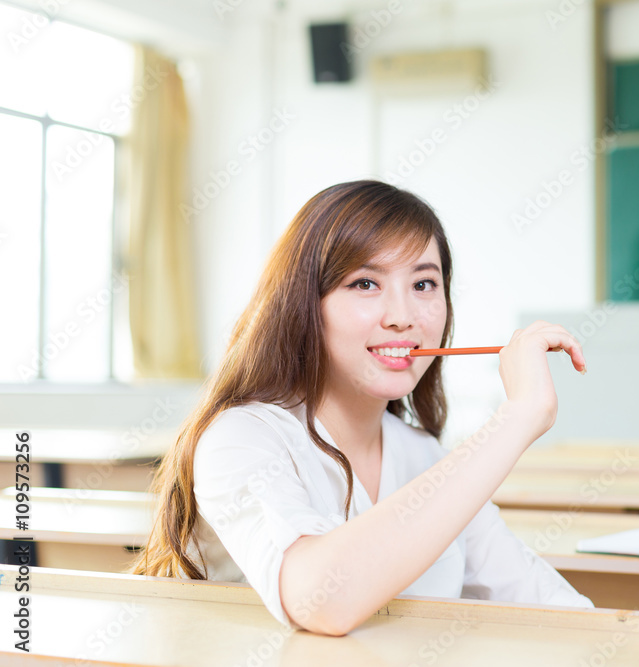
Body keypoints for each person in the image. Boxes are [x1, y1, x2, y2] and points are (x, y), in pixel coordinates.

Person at [129, 180, 593, 636]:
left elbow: (537, 595)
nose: (402, 315)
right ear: (304, 304)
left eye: (425, 283)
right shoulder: (240, 437)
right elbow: (320, 601)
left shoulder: (421, 452)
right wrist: (517, 418)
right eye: (366, 283)